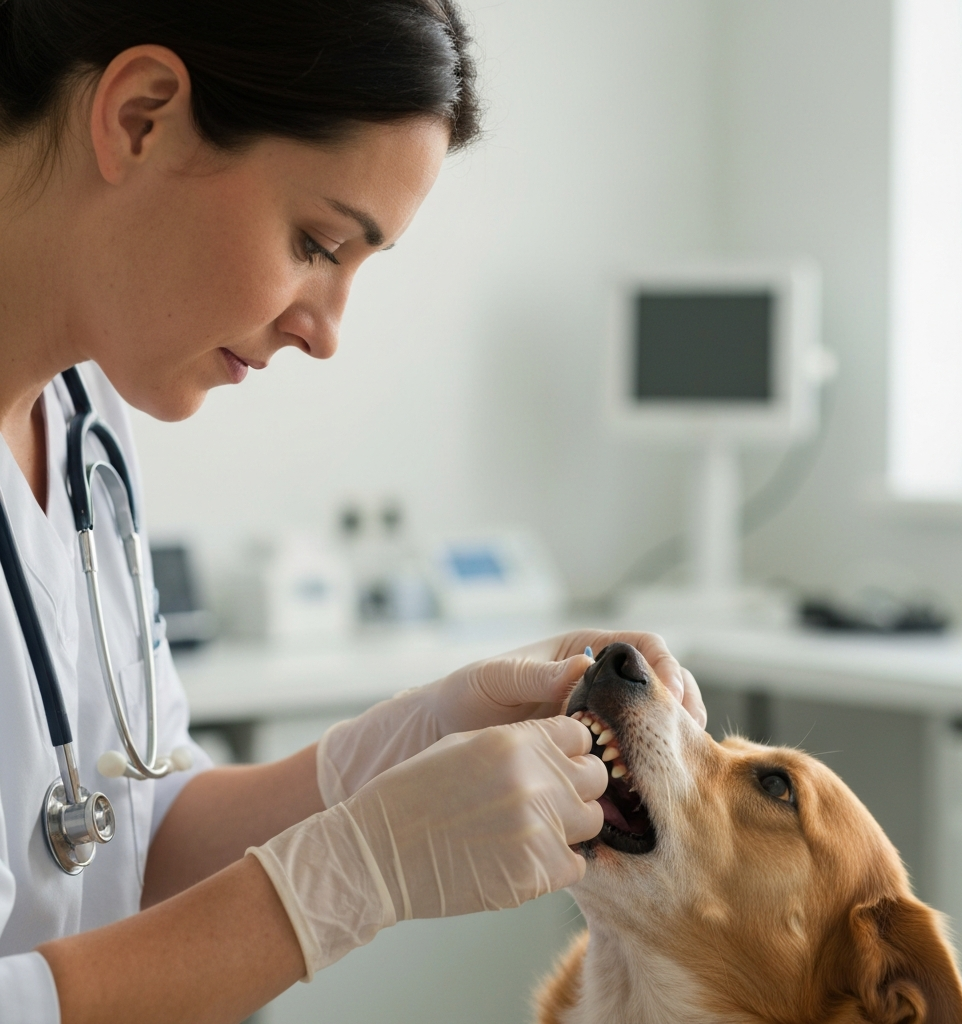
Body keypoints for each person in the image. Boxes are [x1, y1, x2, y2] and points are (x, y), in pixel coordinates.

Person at [0, 1, 707, 1021]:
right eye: (317, 242)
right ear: (142, 116)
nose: (328, 332)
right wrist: (354, 875)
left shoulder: (85, 422)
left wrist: (407, 743)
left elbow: (123, 838)